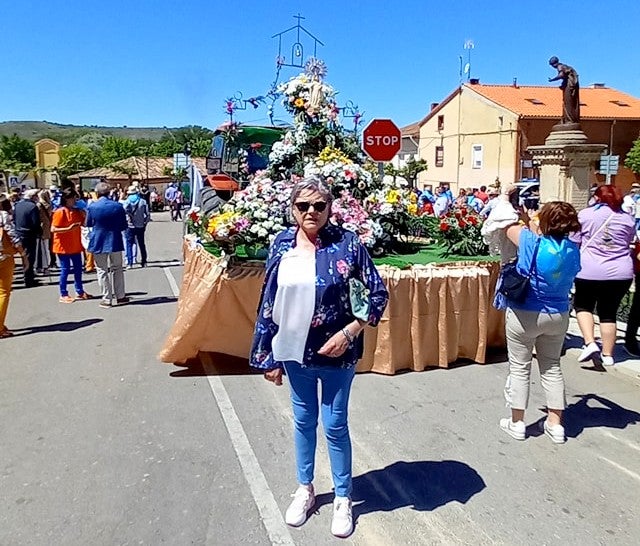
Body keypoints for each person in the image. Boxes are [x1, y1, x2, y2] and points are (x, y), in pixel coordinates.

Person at [250, 176, 389, 538]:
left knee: (334, 424)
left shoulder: (348, 244)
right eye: (303, 206)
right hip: (295, 352)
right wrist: (270, 356)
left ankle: (343, 497)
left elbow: (376, 294)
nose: (311, 212)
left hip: (337, 352)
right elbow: (270, 300)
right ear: (292, 209)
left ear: (329, 208)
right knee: (302, 420)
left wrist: (349, 333)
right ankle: (305, 488)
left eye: (318, 205)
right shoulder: (280, 243)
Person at [494, 197, 582, 444]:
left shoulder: (530, 241)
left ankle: (518, 422)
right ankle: (555, 425)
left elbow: (503, 219)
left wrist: (507, 197)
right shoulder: (573, 249)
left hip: (526, 313)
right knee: (552, 367)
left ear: (544, 221)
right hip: (558, 313)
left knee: (520, 367)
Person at [572, 185, 635, 366]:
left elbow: (575, 240)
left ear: (597, 198)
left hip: (589, 270)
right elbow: (629, 240)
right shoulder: (628, 219)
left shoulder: (585, 215)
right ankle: (608, 355)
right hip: (620, 272)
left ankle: (590, 342)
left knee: (583, 305)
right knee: (609, 312)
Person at [87, 182, 129, 309]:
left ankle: (106, 299)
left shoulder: (92, 207)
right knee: (117, 268)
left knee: (102, 270)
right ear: (109, 192)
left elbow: (88, 223)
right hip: (114, 240)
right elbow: (123, 226)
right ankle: (120, 296)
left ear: (97, 193)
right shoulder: (117, 206)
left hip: (98, 241)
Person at [51, 188, 91, 303]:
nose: (74, 200)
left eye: (75, 198)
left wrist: (84, 214)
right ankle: (63, 293)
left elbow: (84, 224)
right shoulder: (60, 211)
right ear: (66, 199)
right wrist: (68, 229)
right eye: (72, 198)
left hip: (75, 245)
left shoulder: (76, 211)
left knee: (78, 270)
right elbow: (53, 229)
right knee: (65, 270)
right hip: (63, 247)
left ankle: (80, 291)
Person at [0, 194, 29, 338]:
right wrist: (23, 255)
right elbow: (13, 236)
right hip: (3, 256)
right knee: (3, 292)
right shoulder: (3, 216)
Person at [13, 188, 42, 287]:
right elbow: (35, 223)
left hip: (19, 232)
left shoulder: (17, 205)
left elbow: (14, 218)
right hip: (30, 234)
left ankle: (28, 276)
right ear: (33, 197)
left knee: (23, 256)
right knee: (30, 257)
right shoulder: (33, 206)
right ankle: (29, 279)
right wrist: (39, 232)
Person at [548, 56, 580, 125]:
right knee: (569, 103)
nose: (553, 67)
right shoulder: (565, 66)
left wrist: (552, 79)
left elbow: (561, 75)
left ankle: (569, 120)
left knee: (568, 103)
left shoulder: (560, 66)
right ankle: (568, 119)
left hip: (569, 87)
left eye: (552, 65)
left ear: (554, 64)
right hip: (570, 87)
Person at [124, 185, 150, 268]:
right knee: (141, 244)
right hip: (140, 225)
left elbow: (123, 210)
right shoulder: (142, 201)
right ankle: (144, 261)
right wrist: (145, 222)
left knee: (129, 244)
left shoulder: (127, 201)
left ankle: (130, 262)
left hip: (130, 225)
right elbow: (148, 214)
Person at [35, 189, 53, 274]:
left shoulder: (39, 205)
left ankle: (40, 266)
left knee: (39, 248)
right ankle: (46, 266)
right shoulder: (49, 205)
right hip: (46, 228)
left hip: (41, 228)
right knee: (45, 248)